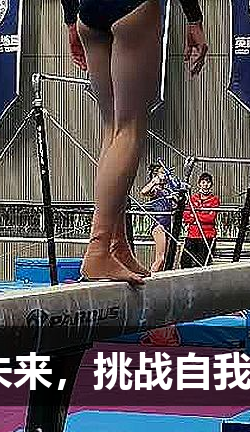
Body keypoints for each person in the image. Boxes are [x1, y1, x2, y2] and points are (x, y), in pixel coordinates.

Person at [64, 0, 209, 285]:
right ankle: (98, 249)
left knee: (112, 128)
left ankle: (116, 244)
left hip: (88, 13)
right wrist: (193, 18)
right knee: (130, 129)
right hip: (132, 8)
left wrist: (71, 20)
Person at [139, 162, 177, 272]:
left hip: (167, 226)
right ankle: (151, 277)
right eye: (162, 173)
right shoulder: (155, 190)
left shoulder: (168, 191)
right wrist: (154, 181)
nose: (165, 175)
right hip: (159, 226)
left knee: (163, 260)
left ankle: (158, 277)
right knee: (160, 258)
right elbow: (144, 192)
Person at [180, 173, 220, 268]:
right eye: (203, 182)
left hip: (207, 235)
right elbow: (186, 216)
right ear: (199, 184)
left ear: (211, 184)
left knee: (202, 263)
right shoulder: (193, 198)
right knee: (185, 261)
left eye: (208, 182)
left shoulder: (214, 200)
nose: (205, 185)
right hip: (192, 234)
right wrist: (201, 215)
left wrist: (195, 215)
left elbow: (210, 218)